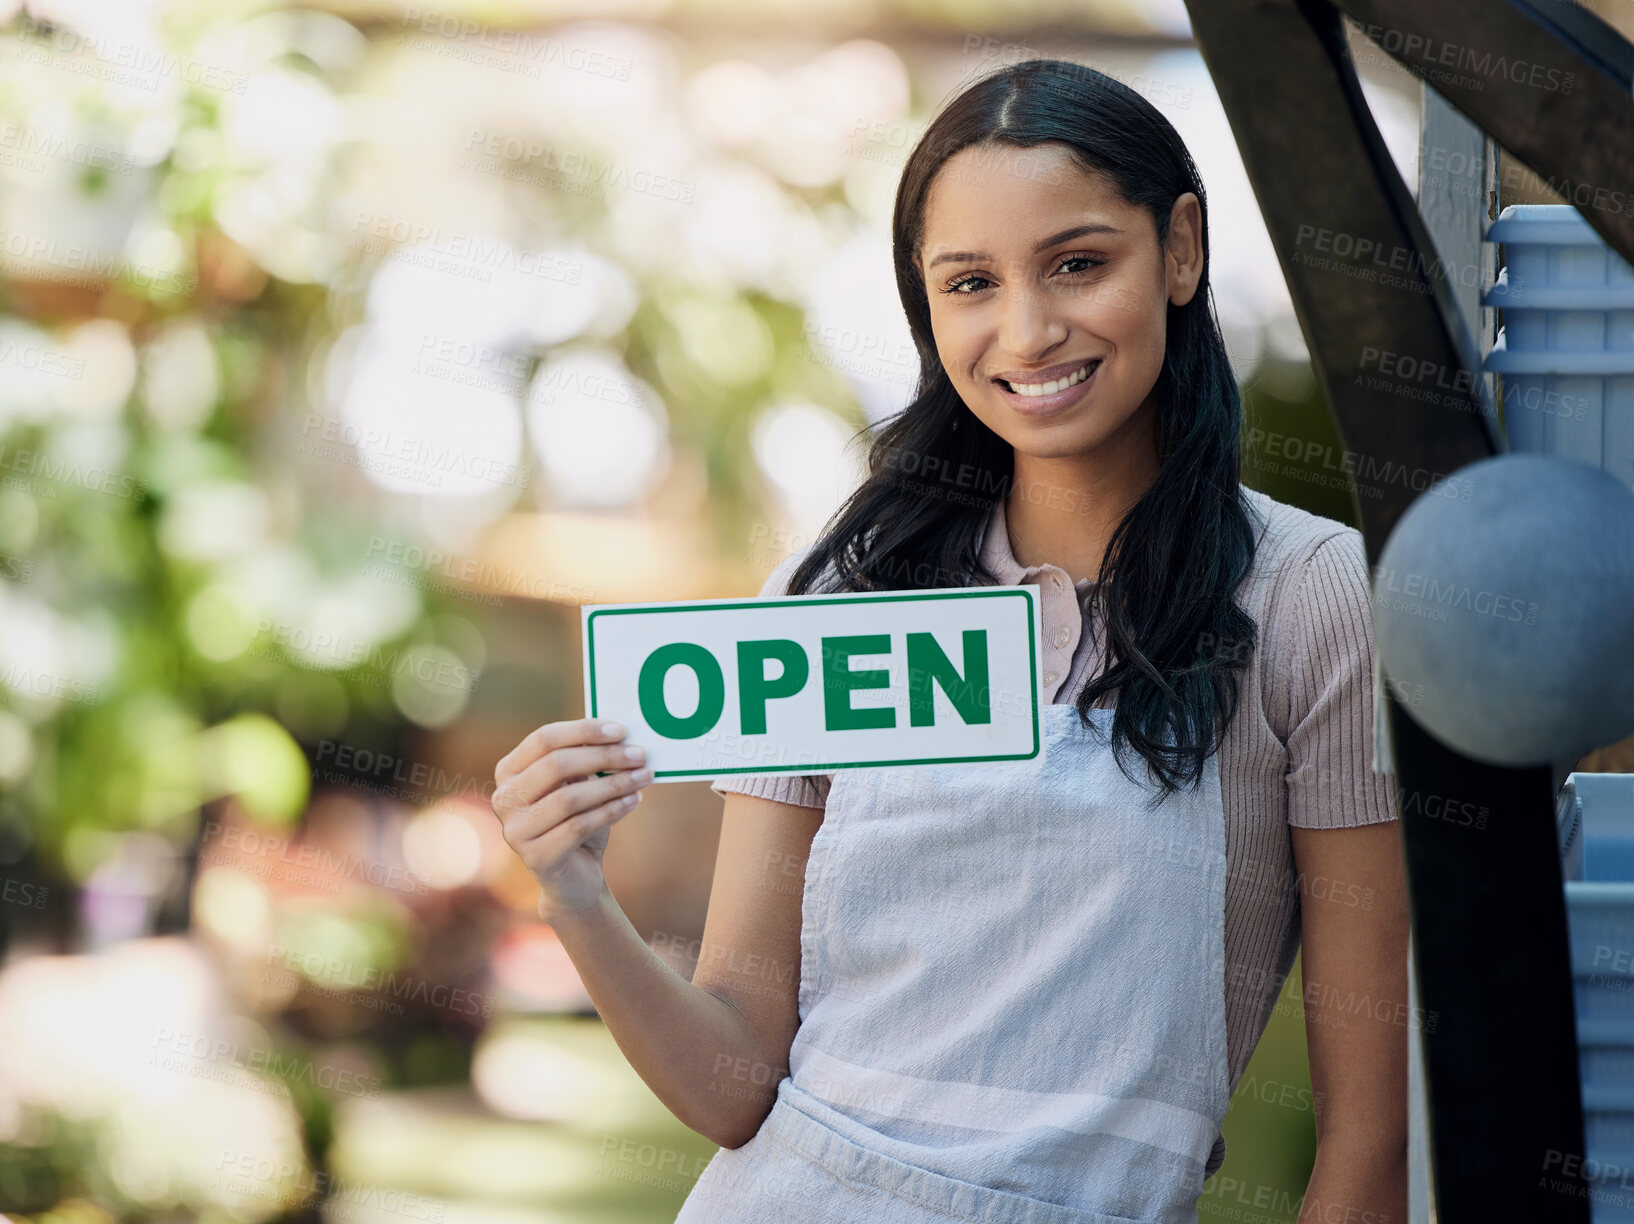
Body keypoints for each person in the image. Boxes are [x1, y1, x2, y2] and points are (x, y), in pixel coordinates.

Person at [491, 58, 1408, 1224]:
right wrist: (572, 890)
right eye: (968, 282)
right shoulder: (836, 599)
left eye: (1077, 264)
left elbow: (1366, 1146)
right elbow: (731, 1085)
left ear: (1179, 250)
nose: (1025, 331)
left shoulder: (1305, 597)